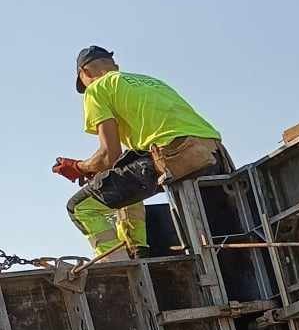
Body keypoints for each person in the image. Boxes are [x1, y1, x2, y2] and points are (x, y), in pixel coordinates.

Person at [53, 47, 225, 260]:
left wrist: (78, 167)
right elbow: (117, 161)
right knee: (122, 173)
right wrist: (100, 170)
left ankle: (122, 272)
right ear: (115, 66)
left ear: (84, 73)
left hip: (174, 154)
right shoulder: (150, 81)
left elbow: (109, 154)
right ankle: (138, 252)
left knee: (80, 207)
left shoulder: (96, 89)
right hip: (214, 153)